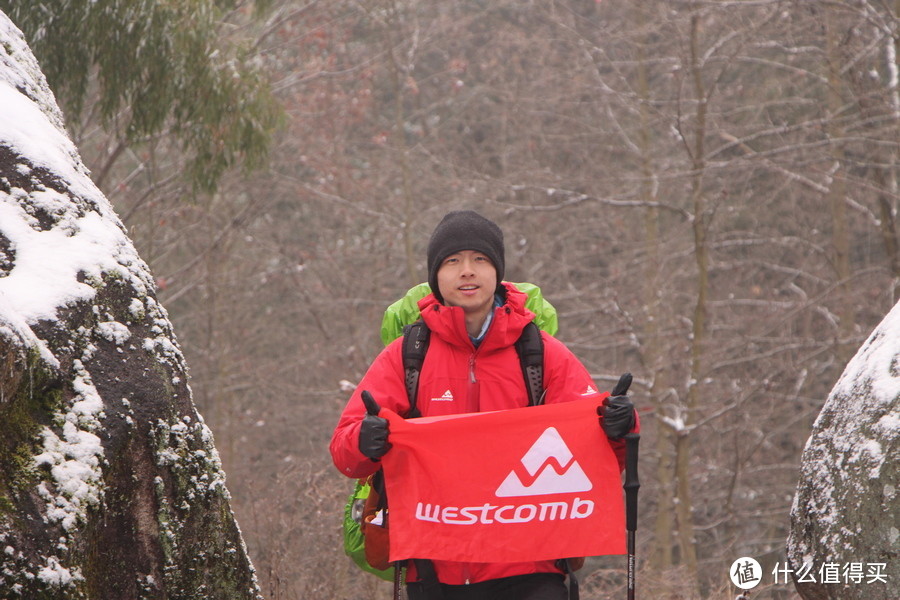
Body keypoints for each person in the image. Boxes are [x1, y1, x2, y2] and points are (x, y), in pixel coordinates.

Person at [330, 210, 637, 600]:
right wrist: (366, 440)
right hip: (434, 566)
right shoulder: (408, 356)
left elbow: (600, 446)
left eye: (480, 260)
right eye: (453, 261)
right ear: (435, 277)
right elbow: (345, 452)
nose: (467, 272)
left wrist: (620, 426)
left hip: (531, 566)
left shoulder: (540, 355)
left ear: (498, 271)